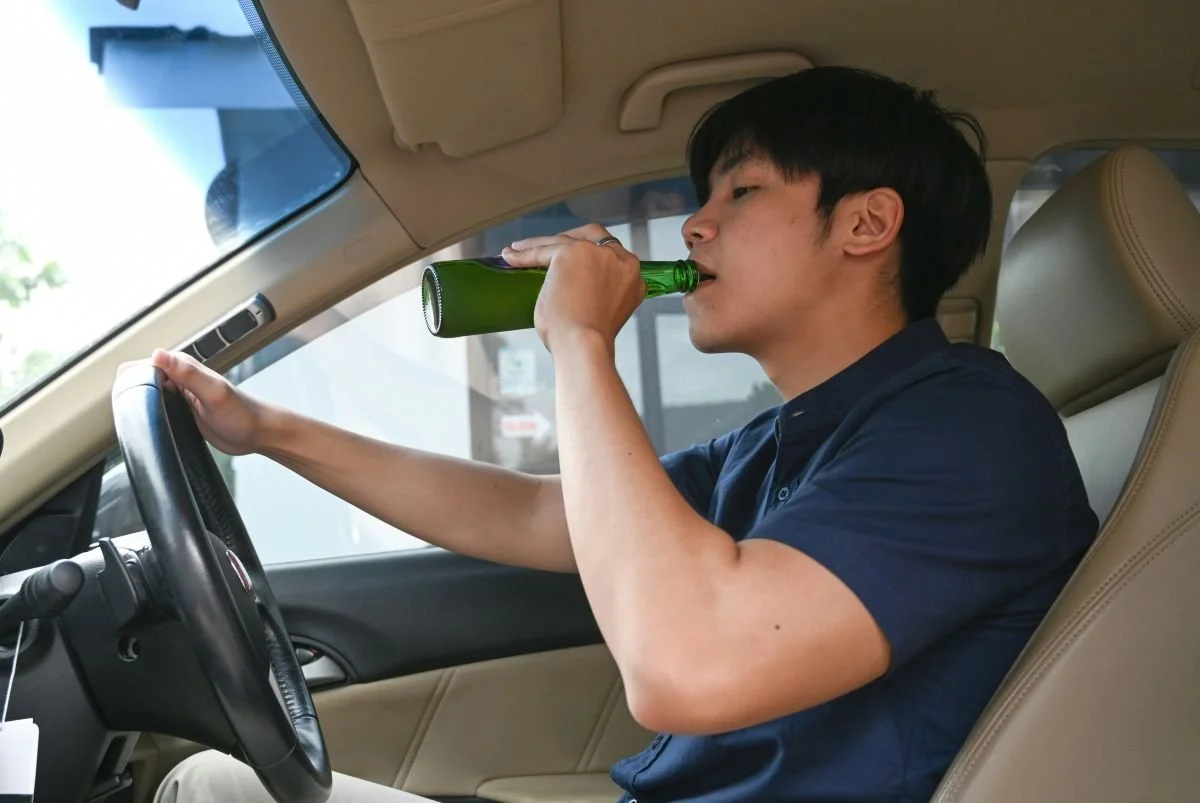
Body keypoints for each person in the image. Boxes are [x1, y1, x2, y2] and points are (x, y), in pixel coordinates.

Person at [150, 66, 1098, 803]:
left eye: (742, 194)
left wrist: (579, 344)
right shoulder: (787, 440)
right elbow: (534, 516)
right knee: (216, 783)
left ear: (866, 222)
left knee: (210, 791)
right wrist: (267, 429)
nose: (695, 227)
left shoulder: (971, 430)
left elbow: (685, 668)